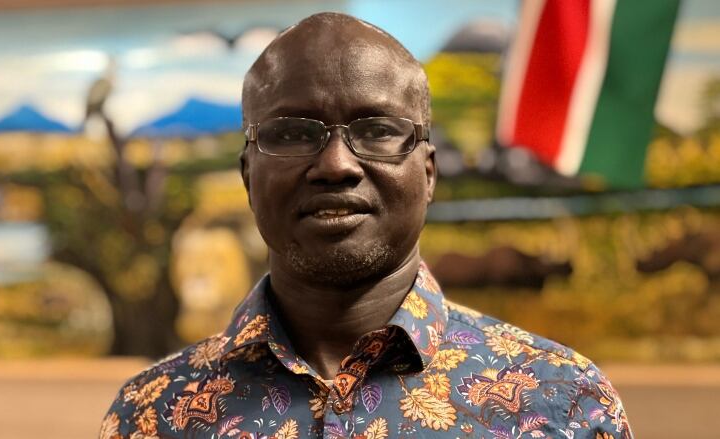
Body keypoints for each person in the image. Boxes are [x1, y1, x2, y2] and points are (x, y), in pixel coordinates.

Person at [100, 12, 632, 439]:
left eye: (377, 130)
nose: (336, 165)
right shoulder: (153, 416)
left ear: (427, 174)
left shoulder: (560, 403)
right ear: (248, 175)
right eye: (291, 133)